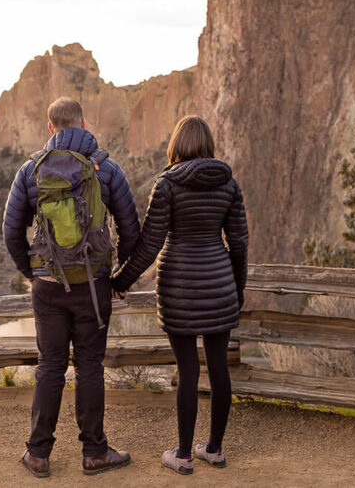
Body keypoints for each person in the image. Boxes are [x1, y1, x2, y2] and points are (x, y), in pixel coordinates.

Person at [3, 96, 140, 478]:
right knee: (90, 366)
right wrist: (117, 277)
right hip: (93, 286)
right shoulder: (108, 169)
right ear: (84, 123)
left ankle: (37, 454)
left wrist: (30, 272)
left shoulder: (30, 170)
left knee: (50, 366)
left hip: (47, 285)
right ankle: (95, 452)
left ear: (51, 128)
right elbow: (131, 230)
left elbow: (11, 230)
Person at [111, 115, 248, 474]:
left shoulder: (167, 184)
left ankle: (184, 455)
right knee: (219, 368)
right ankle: (215, 449)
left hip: (178, 286)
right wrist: (237, 288)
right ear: (207, 144)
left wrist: (120, 280)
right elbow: (239, 243)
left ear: (176, 145)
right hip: (220, 284)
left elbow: (150, 243)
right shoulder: (229, 183)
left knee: (188, 369)